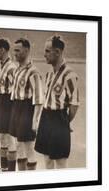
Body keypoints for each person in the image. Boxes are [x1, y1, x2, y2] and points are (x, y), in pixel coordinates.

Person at [35, 35, 79, 169]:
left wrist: (63, 122)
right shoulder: (49, 74)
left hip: (59, 119)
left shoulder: (70, 75)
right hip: (45, 118)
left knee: (60, 162)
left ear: (58, 52)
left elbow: (74, 105)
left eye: (48, 51)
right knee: (47, 159)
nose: (44, 55)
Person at [9, 38, 44, 171]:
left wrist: (34, 120)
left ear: (27, 50)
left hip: (27, 110)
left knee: (28, 146)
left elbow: (39, 98)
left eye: (18, 50)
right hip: (17, 107)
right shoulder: (18, 70)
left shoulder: (33, 72)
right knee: (18, 144)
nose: (15, 53)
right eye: (14, 50)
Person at [0, 38, 18, 171]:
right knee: (2, 136)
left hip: (8, 103)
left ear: (3, 50)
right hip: (1, 101)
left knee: (9, 138)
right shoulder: (2, 66)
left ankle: (11, 171)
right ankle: (4, 168)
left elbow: (16, 91)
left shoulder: (12, 68)